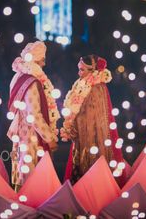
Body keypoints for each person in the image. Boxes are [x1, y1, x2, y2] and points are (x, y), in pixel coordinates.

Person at [61, 55, 126, 185]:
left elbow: (88, 117)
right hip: (83, 135)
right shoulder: (84, 84)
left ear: (93, 71)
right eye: (79, 69)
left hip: (92, 136)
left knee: (89, 171)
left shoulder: (95, 88)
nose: (79, 73)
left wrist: (72, 129)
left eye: (82, 70)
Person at [7, 41, 60, 191]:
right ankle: (30, 209)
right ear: (36, 60)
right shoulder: (32, 81)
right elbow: (34, 114)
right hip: (31, 134)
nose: (44, 63)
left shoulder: (19, 76)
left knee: (22, 170)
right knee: (30, 174)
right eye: (42, 59)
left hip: (22, 131)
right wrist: (49, 138)